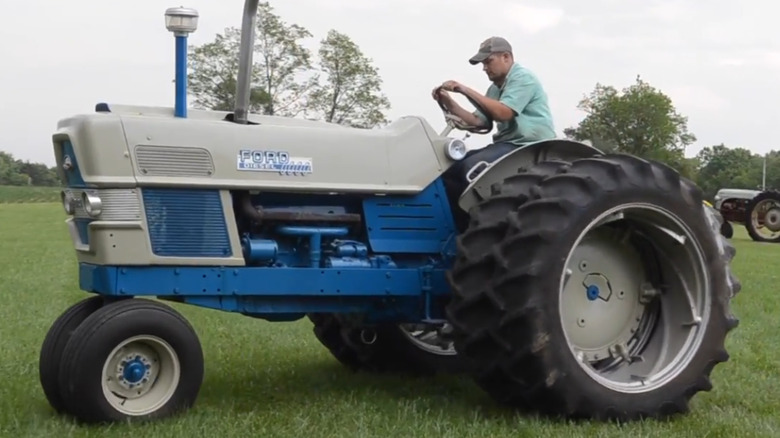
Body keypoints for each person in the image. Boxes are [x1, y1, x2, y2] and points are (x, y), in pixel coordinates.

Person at [434, 36, 557, 230]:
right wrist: (448, 101)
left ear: (506, 57)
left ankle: (479, 228)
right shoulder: (495, 88)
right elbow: (479, 122)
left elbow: (503, 113)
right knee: (448, 170)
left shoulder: (523, 78)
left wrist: (464, 89)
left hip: (528, 146)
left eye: (488, 61)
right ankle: (454, 229)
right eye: (483, 63)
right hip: (507, 144)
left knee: (470, 171)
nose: (484, 68)